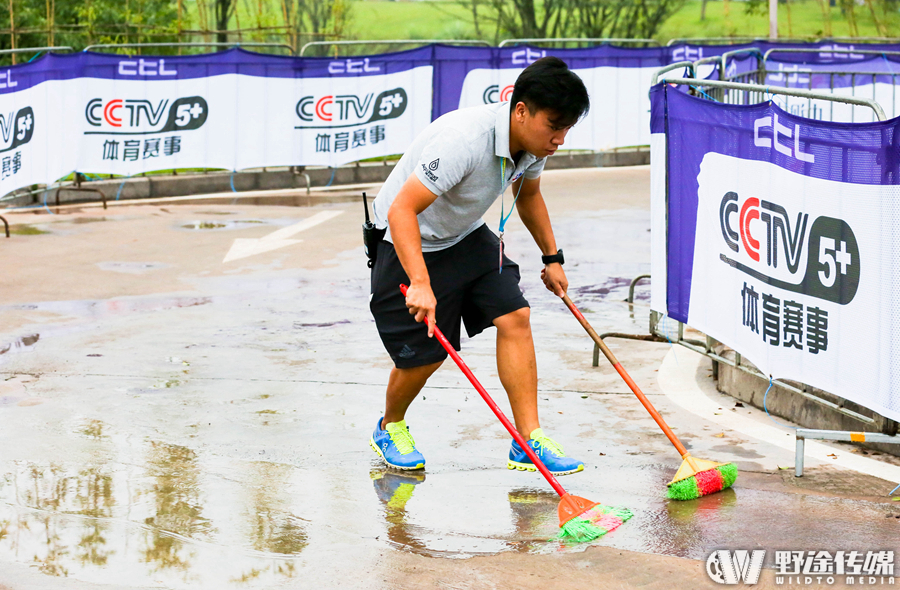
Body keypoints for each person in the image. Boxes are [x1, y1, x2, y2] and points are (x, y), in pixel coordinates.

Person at [368, 56, 590, 476]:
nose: (559, 139)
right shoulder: (463, 141)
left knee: (515, 315)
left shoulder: (532, 143)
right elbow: (402, 211)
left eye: (567, 129)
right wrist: (420, 282)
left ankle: (527, 440)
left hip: (465, 236)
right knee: (425, 357)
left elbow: (529, 196)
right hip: (406, 238)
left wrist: (552, 258)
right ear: (520, 111)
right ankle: (389, 426)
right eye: (554, 125)